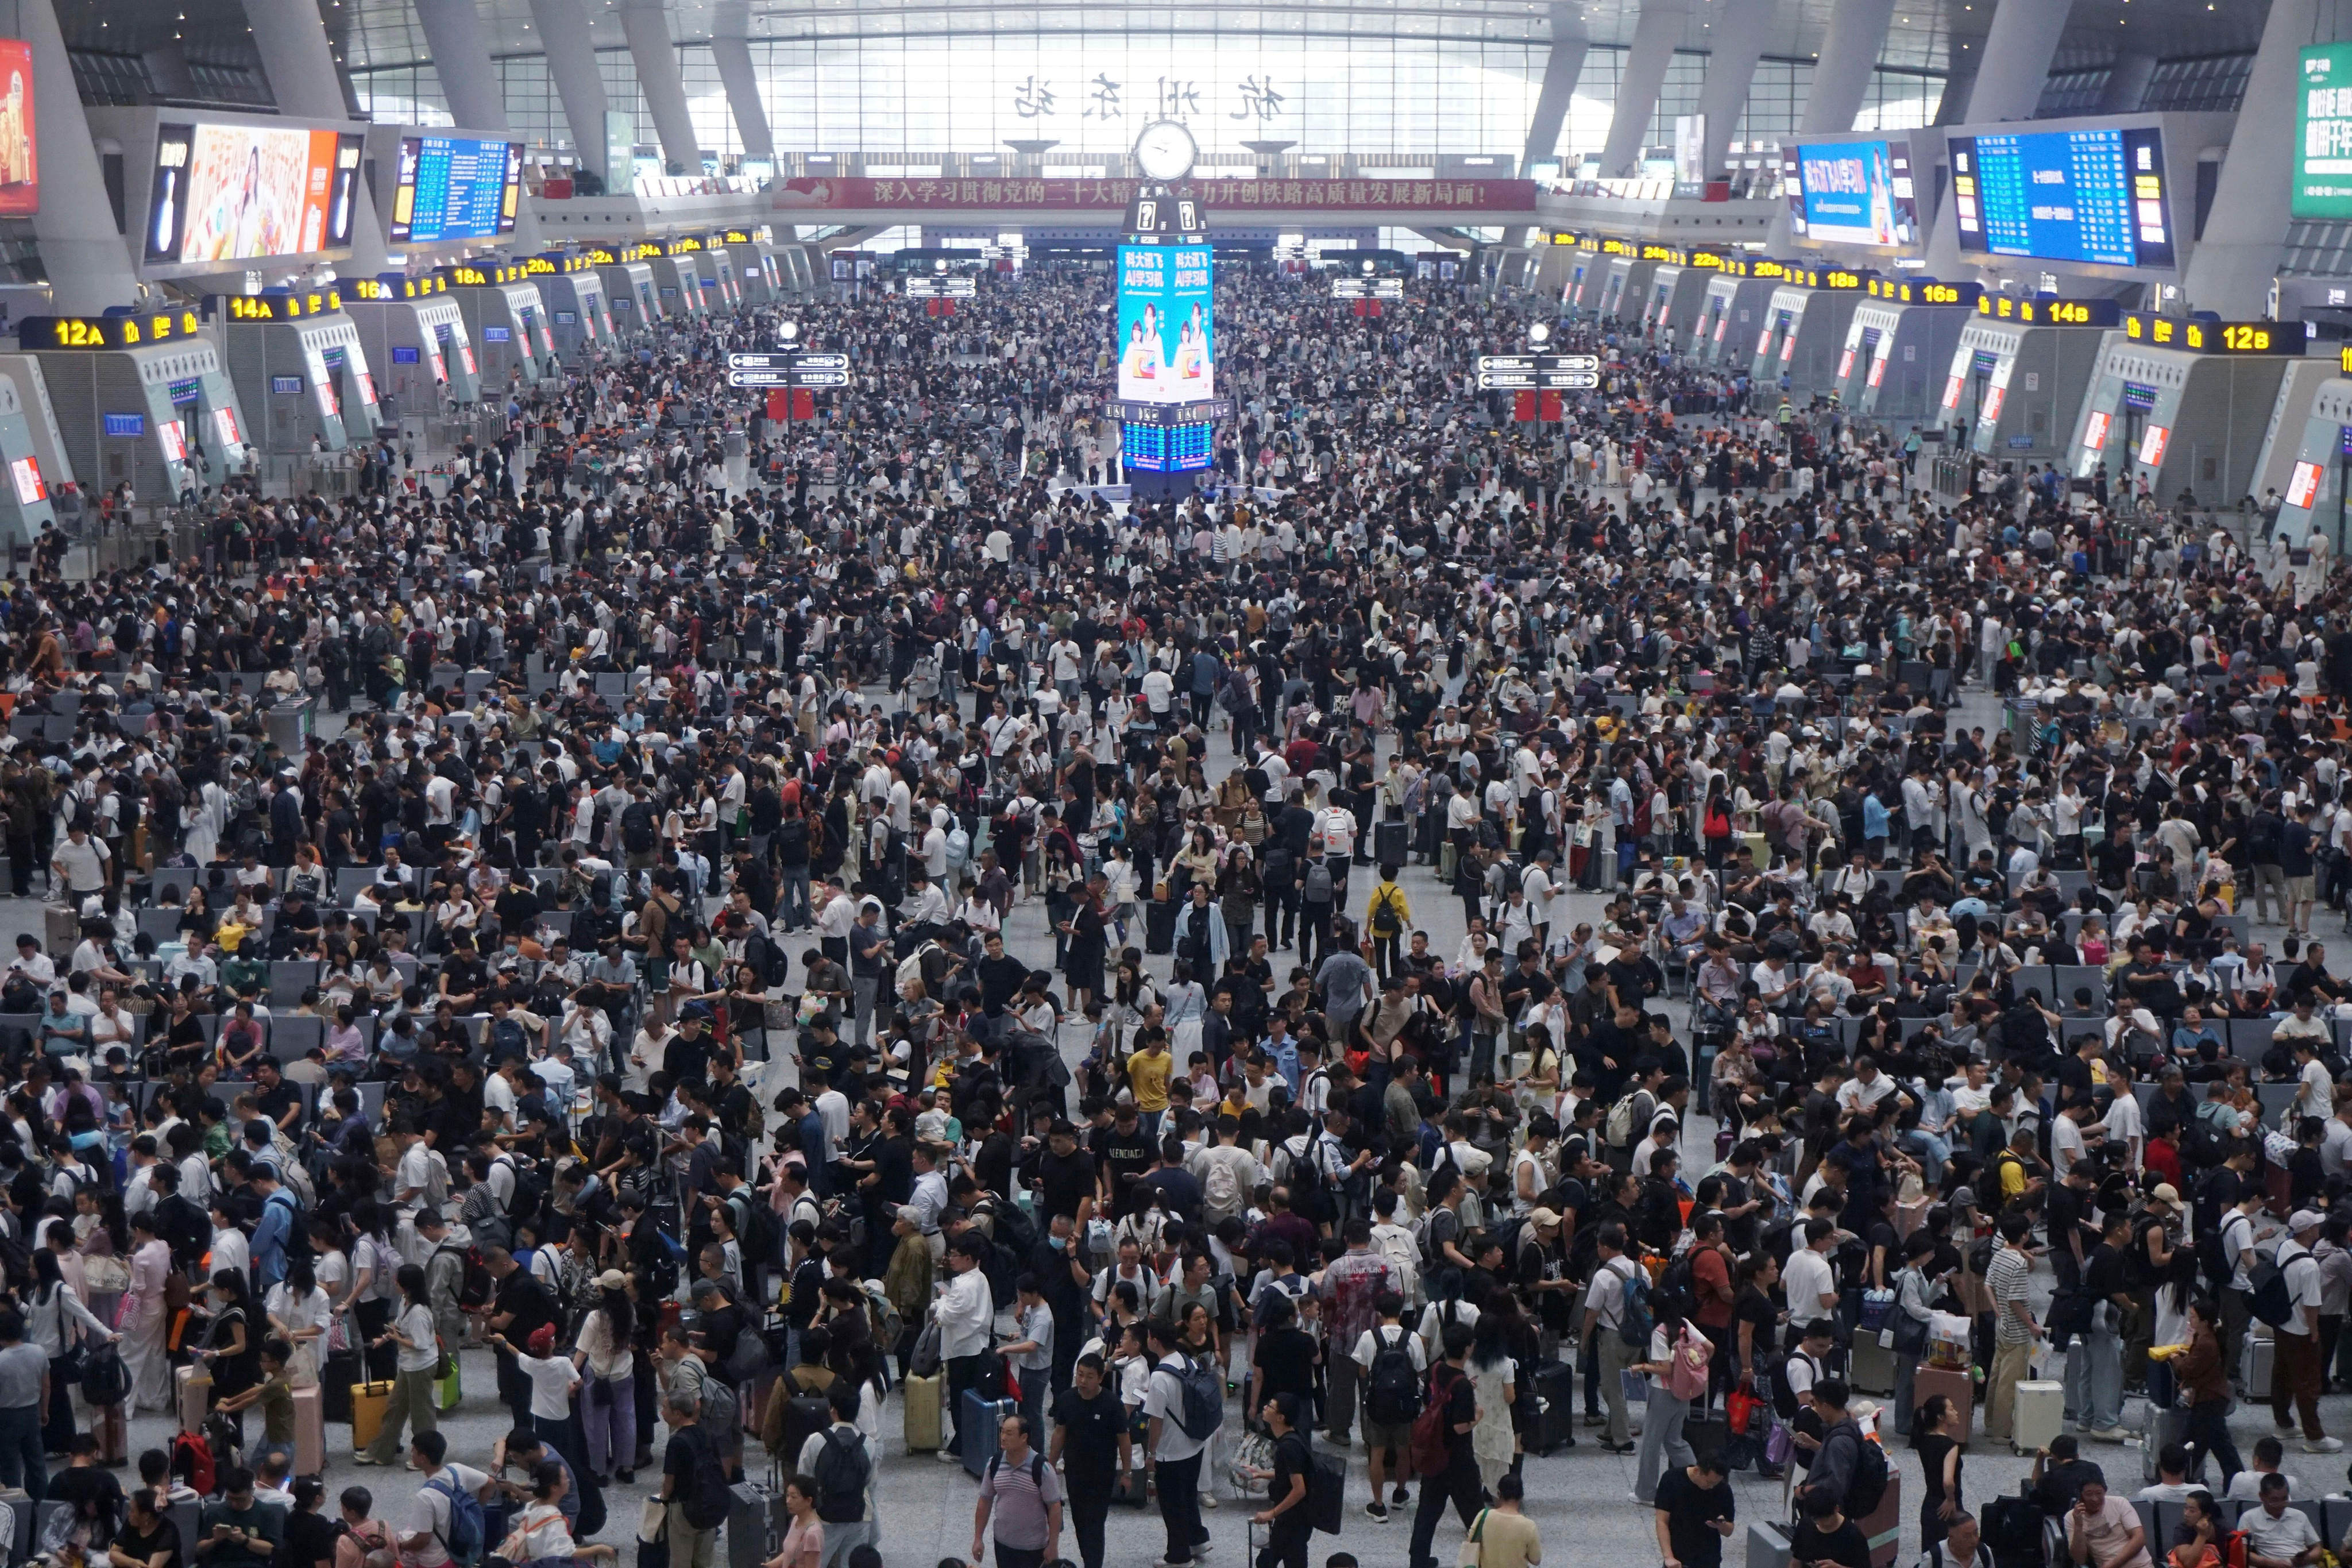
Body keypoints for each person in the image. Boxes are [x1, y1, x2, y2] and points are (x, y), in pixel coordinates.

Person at [1406, 1323, 1482, 1568]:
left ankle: (1418, 1561)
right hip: (1458, 1458)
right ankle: (1483, 1561)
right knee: (1475, 1517)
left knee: (1427, 1514)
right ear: (1468, 1349)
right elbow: (1460, 1427)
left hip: (1433, 1453)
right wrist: (1478, 1417)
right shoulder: (1462, 1385)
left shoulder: (1435, 1369)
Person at [1049, 1354, 1130, 1568]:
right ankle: (1089, 1559)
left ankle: (1093, 1564)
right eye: (1080, 1375)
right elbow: (1059, 1433)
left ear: (1101, 1378)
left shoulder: (1112, 1405)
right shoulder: (1067, 1399)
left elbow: (1124, 1440)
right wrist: (1050, 1465)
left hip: (1101, 1475)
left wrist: (1127, 1473)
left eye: (1089, 1377)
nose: (1083, 1381)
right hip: (1074, 1473)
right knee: (1080, 1522)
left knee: (1095, 1524)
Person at [358, 1266, 437, 1467]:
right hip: (408, 1365)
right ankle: (381, 1451)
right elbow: (399, 1326)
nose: (394, 1282)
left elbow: (421, 1345)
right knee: (394, 1408)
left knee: (422, 1415)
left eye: (398, 1280)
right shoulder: (406, 1301)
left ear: (406, 1285)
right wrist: (385, 1338)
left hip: (421, 1366)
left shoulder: (418, 1312)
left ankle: (426, 1457)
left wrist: (395, 1338)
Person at [970, 1412, 1061, 1568]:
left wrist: (1053, 1546)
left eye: (1009, 1433)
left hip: (1034, 1547)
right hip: (1003, 1544)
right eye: (1002, 1432)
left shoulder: (1042, 1468)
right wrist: (978, 1538)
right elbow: (984, 1501)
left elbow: (1055, 1508)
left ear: (1024, 1437)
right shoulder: (995, 1464)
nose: (1003, 1437)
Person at [1248, 1392, 1312, 1568]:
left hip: (1293, 1519)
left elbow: (1299, 1489)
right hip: (1295, 1518)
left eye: (1270, 1406)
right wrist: (1260, 1473)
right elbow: (1290, 1474)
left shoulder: (1288, 1447)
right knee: (1272, 1560)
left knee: (1273, 1561)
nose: (1265, 1408)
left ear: (1280, 1418)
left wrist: (1272, 1513)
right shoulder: (1294, 1437)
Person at [1652, 1454, 1733, 1568]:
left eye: (1716, 1484)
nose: (1711, 1487)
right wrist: (1669, 1557)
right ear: (1697, 1471)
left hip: (1709, 1558)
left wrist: (1721, 1525)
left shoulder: (1723, 1489)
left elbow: (1729, 1531)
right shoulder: (1672, 1479)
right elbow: (1662, 1521)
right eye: (1709, 1482)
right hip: (1679, 1557)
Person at [2237, 1472, 2322, 1568]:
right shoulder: (2249, 1518)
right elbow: (2243, 1553)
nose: (2281, 1504)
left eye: (2285, 1499)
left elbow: (2317, 1548)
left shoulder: (2300, 1516)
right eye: (2274, 1500)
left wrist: (2306, 1559)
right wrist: (2270, 1563)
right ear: (2262, 1497)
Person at [2067, 1476, 2154, 1568]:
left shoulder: (2119, 1503)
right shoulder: (2072, 1517)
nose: (2095, 1499)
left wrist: (2113, 1565)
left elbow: (2139, 1538)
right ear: (2080, 1495)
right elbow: (2080, 1559)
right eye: (2089, 1494)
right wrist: (2078, 1526)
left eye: (2099, 1493)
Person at [1916, 1393, 1967, 1553]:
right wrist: (1951, 1500)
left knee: (1931, 1555)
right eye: (1952, 1409)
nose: (1956, 1412)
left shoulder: (1923, 1440)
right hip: (1948, 1508)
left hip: (1930, 1504)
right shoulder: (1950, 1446)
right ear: (1941, 1417)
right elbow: (1948, 1481)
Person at [766, 1475, 824, 1568]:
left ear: (809, 1500)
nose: (788, 1501)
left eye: (794, 1497)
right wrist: (770, 1565)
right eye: (787, 1495)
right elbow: (790, 1553)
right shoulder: (796, 1519)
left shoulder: (812, 1534)